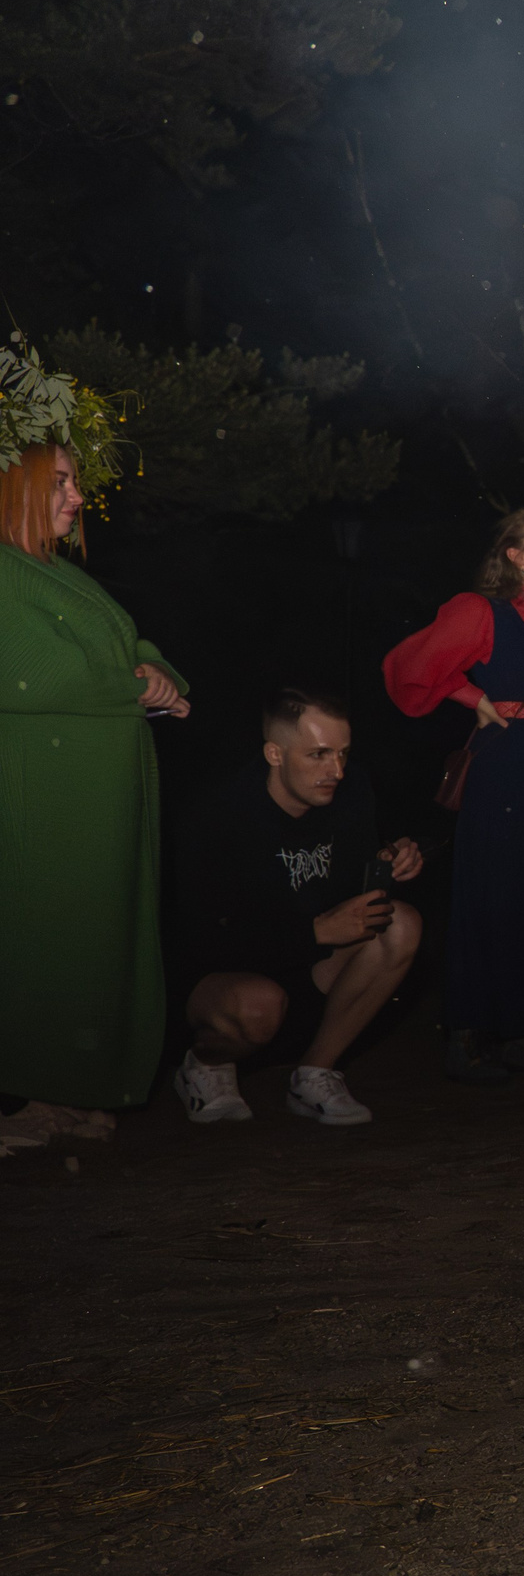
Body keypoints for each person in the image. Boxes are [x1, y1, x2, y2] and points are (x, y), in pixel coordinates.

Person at [0, 398, 190, 1147]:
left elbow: (130, 641)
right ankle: (25, 1097)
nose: (78, 498)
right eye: (62, 483)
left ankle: (68, 1092)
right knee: (44, 936)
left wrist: (158, 670)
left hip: (96, 800)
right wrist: (137, 683)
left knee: (92, 943)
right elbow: (35, 674)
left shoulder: (59, 574)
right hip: (42, 799)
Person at [384, 509, 524, 1083]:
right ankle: (468, 1035)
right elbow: (406, 668)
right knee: (492, 892)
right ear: (515, 555)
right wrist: (468, 694)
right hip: (503, 765)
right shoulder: (479, 611)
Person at [168, 690, 424, 1126]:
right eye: (319, 755)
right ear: (274, 753)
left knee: (400, 924)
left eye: (342, 753)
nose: (336, 771)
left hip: (309, 967)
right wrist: (316, 931)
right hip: (231, 978)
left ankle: (316, 1074)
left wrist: (390, 856)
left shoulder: (351, 789)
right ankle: (204, 1065)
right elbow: (203, 940)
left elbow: (345, 882)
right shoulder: (221, 812)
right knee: (256, 1006)